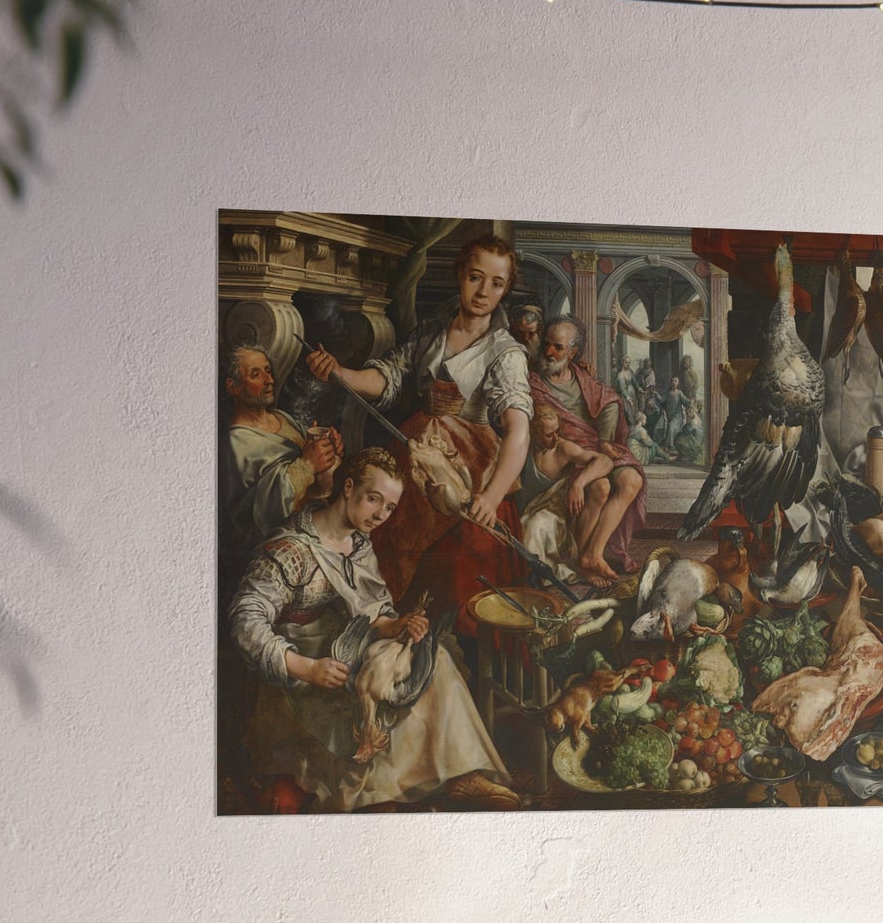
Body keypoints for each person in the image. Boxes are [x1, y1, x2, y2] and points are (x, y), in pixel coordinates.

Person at [229, 447, 519, 812]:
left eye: (390, 508)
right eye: (373, 500)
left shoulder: (358, 544)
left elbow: (372, 612)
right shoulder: (292, 549)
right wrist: (306, 667)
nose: (380, 515)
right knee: (375, 693)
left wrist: (397, 624)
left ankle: (461, 774)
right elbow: (244, 622)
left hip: (347, 647)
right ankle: (380, 795)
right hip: (302, 670)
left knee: (431, 657)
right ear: (348, 487)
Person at [303, 236, 532, 630]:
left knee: (458, 572)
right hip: (415, 455)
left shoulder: (505, 352)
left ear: (506, 288)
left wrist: (491, 498)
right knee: (386, 542)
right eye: (476, 277)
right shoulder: (432, 331)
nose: (483, 292)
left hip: (470, 472)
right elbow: (389, 376)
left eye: (496, 283)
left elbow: (519, 430)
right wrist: (340, 373)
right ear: (460, 274)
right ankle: (380, 627)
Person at [529, 314, 646, 579]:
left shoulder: (581, 376)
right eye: (547, 344)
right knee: (601, 486)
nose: (549, 351)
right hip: (563, 457)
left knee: (631, 480)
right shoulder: (533, 382)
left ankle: (592, 554)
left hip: (592, 449)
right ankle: (581, 559)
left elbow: (610, 400)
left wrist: (605, 439)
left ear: (573, 352)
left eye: (558, 347)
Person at [221, 344, 341, 569]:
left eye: (268, 370)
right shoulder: (235, 442)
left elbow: (316, 470)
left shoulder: (282, 417)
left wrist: (330, 450)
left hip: (318, 532)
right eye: (256, 374)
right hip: (279, 556)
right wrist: (307, 464)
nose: (269, 380)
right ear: (233, 387)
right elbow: (258, 516)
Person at [518, 404, 618, 586]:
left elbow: (605, 461)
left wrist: (579, 484)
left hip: (554, 516)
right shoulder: (523, 448)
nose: (556, 438)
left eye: (557, 431)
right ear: (534, 432)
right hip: (525, 510)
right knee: (528, 526)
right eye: (549, 435)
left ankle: (545, 576)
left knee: (536, 525)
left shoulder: (563, 449)